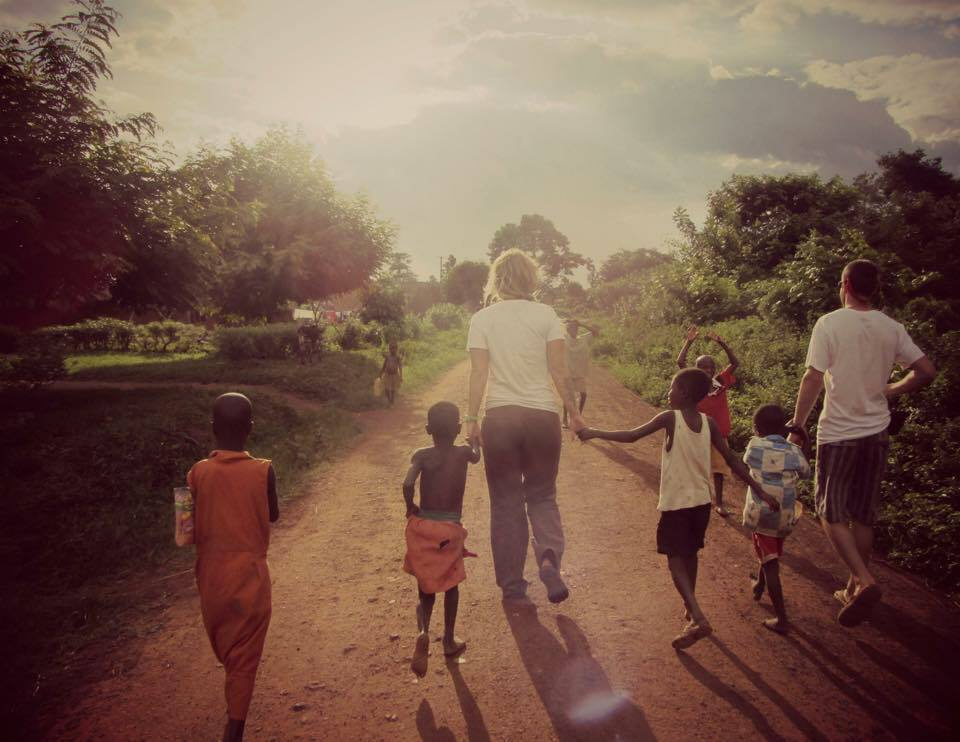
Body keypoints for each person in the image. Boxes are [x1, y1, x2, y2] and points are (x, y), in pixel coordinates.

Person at [577, 368, 775, 649]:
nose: (668, 392)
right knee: (690, 553)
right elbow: (731, 458)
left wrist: (593, 432)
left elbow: (632, 436)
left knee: (674, 558)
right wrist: (760, 490)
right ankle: (690, 609)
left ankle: (697, 615)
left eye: (672, 387)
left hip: (677, 503)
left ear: (683, 392)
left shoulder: (670, 418)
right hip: (701, 503)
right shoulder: (709, 423)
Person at [789, 259, 936, 627]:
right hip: (876, 432)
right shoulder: (891, 327)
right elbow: (926, 371)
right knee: (862, 514)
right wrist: (891, 389)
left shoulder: (830, 323)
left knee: (829, 511)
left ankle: (866, 580)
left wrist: (798, 426)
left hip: (839, 432)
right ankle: (854, 587)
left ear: (845, 285)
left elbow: (812, 377)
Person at [465, 248, 586, 605]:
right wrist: (574, 415)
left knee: (505, 503)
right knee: (543, 495)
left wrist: (471, 419)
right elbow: (558, 371)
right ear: (531, 278)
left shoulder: (482, 319)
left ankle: (513, 587)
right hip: (542, 419)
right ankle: (548, 558)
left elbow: (478, 373)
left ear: (496, 279)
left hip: (500, 419)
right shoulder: (547, 315)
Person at [186, 393, 279, 742]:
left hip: (211, 582)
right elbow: (273, 515)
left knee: (229, 654)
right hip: (251, 582)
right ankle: (234, 732)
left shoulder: (196, 473)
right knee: (243, 663)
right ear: (250, 429)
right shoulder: (263, 470)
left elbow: (184, 533)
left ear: (212, 429)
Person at [402, 401, 482, 676]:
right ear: (458, 428)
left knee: (426, 588)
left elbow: (407, 483)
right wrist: (475, 441)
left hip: (423, 526)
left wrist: (410, 507)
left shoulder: (421, 455)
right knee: (451, 585)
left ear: (427, 429)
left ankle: (423, 630)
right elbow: (476, 455)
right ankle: (448, 639)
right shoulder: (462, 454)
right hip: (449, 527)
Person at [742, 404, 811, 635]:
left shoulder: (754, 446)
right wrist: (803, 441)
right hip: (785, 516)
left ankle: (782, 618)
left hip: (762, 515)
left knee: (771, 564)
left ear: (756, 428)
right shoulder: (794, 451)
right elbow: (806, 472)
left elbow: (746, 461)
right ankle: (759, 586)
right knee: (770, 552)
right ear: (785, 428)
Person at [677, 325, 740, 516]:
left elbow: (735, 362)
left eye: (710, 366)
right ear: (696, 369)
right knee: (695, 466)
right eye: (703, 366)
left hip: (719, 432)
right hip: (698, 431)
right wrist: (688, 341)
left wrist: (722, 343)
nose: (708, 369)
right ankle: (694, 498)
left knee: (719, 470)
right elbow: (680, 362)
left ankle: (719, 502)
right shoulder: (694, 383)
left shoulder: (720, 381)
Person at [562, 319, 599, 428]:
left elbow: (595, 332)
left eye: (576, 328)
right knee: (568, 397)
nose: (574, 330)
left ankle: (578, 416)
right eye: (572, 328)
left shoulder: (583, 339)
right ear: (568, 330)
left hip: (579, 374)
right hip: (568, 373)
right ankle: (565, 419)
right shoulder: (564, 339)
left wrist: (582, 324)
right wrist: (566, 324)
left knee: (583, 394)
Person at [379, 341, 403, 406]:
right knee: (386, 389)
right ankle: (389, 400)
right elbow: (384, 366)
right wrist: (380, 374)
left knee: (393, 389)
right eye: (391, 348)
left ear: (396, 349)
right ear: (389, 349)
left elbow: (400, 367)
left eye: (394, 348)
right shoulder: (387, 357)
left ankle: (392, 400)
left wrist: (401, 376)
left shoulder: (397, 357)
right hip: (387, 375)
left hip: (395, 375)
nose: (393, 350)